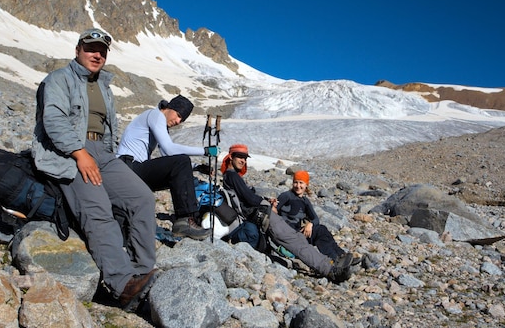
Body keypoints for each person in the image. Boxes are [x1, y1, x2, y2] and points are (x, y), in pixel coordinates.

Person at [31, 28, 157, 312]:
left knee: (143, 198)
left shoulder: (104, 86)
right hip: (68, 153)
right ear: (78, 49)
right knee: (97, 208)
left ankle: (144, 272)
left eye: (102, 50)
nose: (97, 54)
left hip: (103, 154)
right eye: (90, 48)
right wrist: (79, 153)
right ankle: (122, 284)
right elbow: (53, 120)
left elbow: (109, 129)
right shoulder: (59, 79)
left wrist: (104, 154)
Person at [220, 144, 353, 283]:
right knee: (296, 242)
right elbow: (250, 198)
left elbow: (246, 197)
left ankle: (329, 264)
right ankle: (331, 271)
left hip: (261, 215)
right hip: (263, 217)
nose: (243, 161)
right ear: (231, 157)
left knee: (298, 240)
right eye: (240, 157)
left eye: (245, 158)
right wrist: (266, 203)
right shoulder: (233, 176)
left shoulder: (230, 176)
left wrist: (265, 200)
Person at [116, 95, 218, 240]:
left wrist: (197, 167)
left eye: (181, 120)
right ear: (169, 108)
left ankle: (190, 221)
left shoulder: (160, 124)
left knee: (182, 164)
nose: (178, 121)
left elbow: (167, 157)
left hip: (133, 169)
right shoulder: (155, 115)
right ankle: (185, 220)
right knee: (182, 161)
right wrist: (206, 151)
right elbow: (170, 150)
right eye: (178, 116)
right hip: (127, 166)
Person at [276, 170, 347, 260]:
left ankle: (341, 255)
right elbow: (273, 210)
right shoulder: (286, 196)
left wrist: (310, 224)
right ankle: (333, 258)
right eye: (295, 182)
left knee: (322, 229)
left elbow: (316, 219)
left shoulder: (305, 201)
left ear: (306, 184)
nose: (298, 186)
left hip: (298, 232)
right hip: (288, 233)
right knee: (320, 231)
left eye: (301, 183)